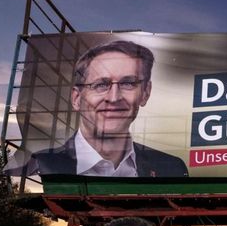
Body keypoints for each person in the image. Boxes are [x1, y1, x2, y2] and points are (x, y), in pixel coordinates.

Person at [26, 40, 188, 177]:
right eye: (101, 85)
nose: (114, 98)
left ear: (145, 93)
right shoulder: (43, 163)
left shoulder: (171, 167)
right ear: (76, 99)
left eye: (128, 83)